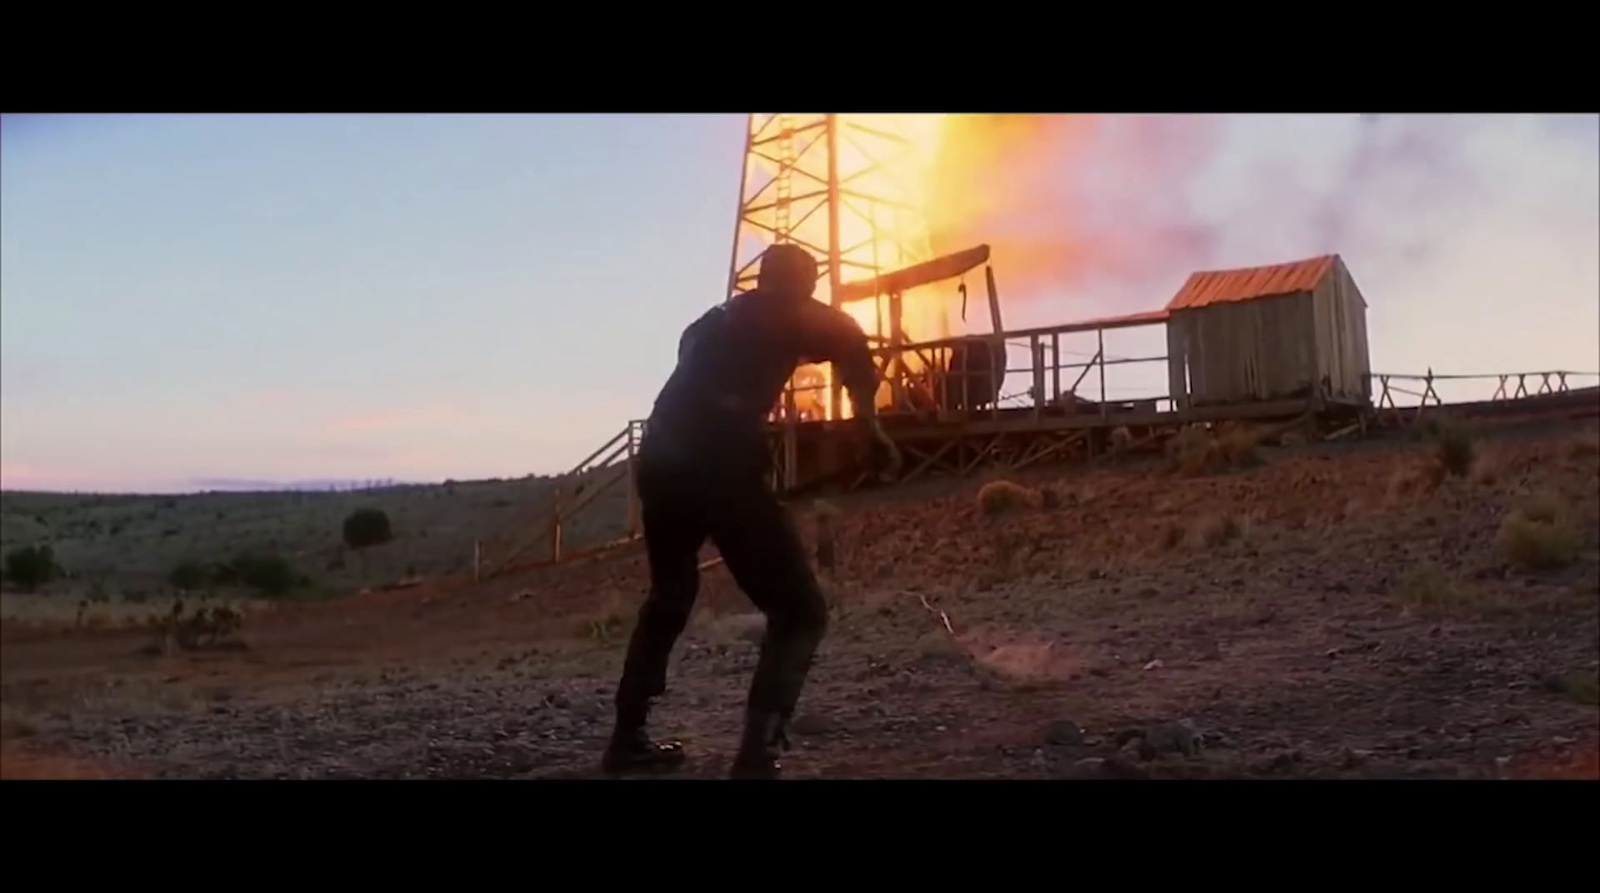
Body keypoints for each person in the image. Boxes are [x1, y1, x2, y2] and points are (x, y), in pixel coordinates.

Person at [601, 243, 901, 780]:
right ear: (803, 284)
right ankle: (757, 759)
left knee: (669, 595)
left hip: (661, 458)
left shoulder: (709, 322)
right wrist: (869, 426)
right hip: (719, 466)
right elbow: (853, 342)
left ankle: (627, 740)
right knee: (801, 611)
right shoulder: (791, 313)